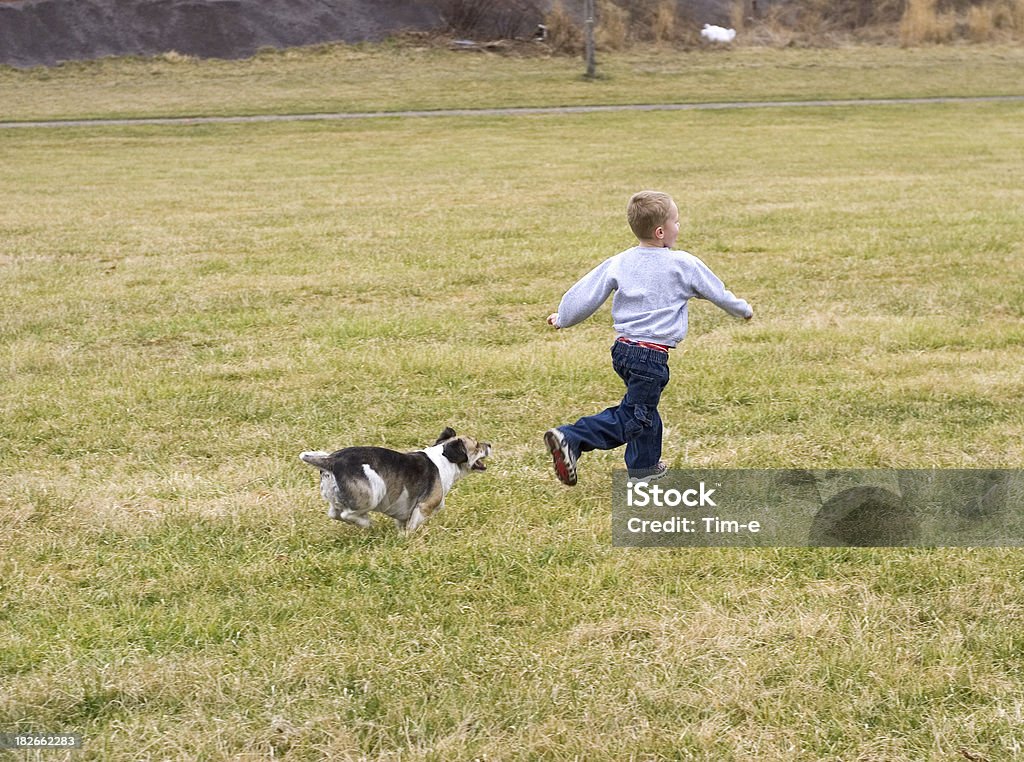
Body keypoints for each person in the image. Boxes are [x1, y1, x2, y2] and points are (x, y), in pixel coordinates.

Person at [544, 190, 753, 486]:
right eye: (676, 222)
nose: (678, 227)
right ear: (660, 232)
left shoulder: (621, 261)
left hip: (624, 351)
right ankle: (573, 438)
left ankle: (644, 470)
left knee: (644, 409)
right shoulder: (683, 264)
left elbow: (586, 292)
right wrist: (743, 310)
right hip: (650, 356)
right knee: (635, 417)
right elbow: (717, 292)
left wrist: (563, 318)